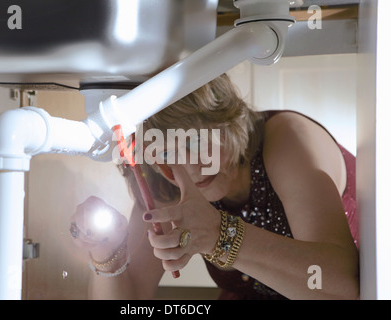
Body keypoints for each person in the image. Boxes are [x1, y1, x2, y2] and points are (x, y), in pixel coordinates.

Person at [70, 74, 359, 300]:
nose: (191, 167)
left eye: (194, 143)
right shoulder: (164, 179)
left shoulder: (287, 140)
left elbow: (340, 286)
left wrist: (221, 235)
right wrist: (106, 250)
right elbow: (130, 298)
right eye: (167, 154)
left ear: (226, 121)